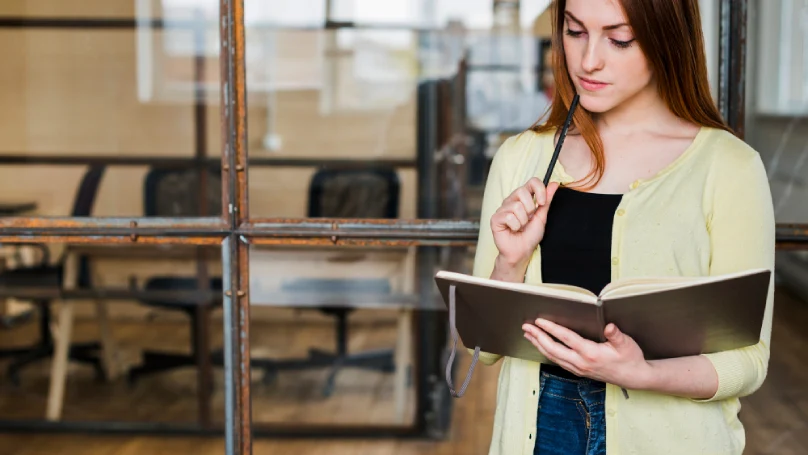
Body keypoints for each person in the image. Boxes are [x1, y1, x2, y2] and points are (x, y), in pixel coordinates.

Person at [471, 0, 775, 454]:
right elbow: (484, 346)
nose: (588, 60)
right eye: (575, 32)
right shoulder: (521, 157)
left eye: (619, 39)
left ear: (666, 40)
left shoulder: (729, 167)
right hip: (540, 429)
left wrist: (643, 373)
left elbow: (749, 360)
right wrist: (509, 263)